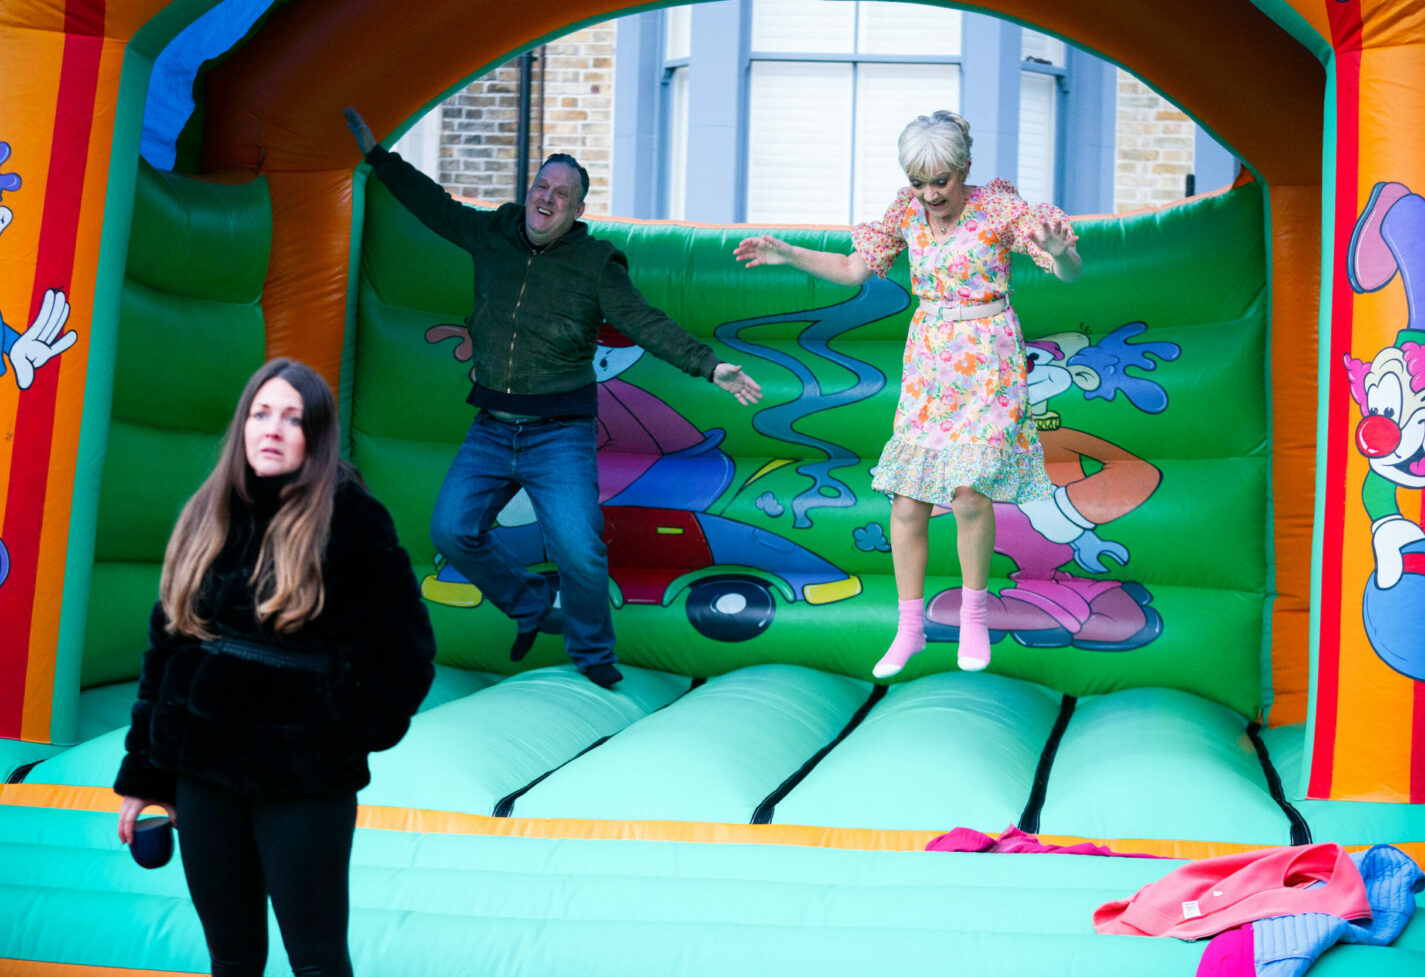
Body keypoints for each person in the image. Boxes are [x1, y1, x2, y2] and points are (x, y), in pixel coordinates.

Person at [342, 107, 762, 689]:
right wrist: (377, 156)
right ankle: (529, 602)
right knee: (451, 531)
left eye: (563, 194)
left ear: (577, 211)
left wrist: (709, 365)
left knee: (581, 550)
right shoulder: (494, 233)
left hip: (557, 433)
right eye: (543, 185)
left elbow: (643, 320)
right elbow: (432, 205)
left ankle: (593, 657)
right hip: (492, 426)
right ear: (530, 190)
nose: (548, 198)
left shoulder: (595, 264)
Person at [114, 358, 435, 977]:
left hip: (300, 783)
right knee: (231, 969)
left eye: (293, 418)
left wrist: (335, 736)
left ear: (315, 438)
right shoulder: (208, 514)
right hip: (203, 776)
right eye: (262, 413)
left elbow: (406, 656)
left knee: (318, 968)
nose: (273, 428)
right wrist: (145, 778)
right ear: (243, 426)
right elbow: (166, 654)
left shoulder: (351, 521)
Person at [734, 110, 1081, 679]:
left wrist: (1060, 252)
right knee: (907, 501)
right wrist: (790, 255)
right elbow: (853, 270)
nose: (928, 194)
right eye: (918, 182)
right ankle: (911, 628)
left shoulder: (995, 207)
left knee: (969, 493)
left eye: (939, 181)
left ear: (964, 168)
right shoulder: (907, 212)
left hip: (988, 357)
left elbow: (1067, 270)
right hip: (930, 361)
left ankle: (974, 616)